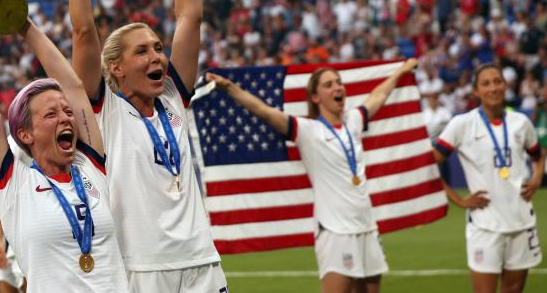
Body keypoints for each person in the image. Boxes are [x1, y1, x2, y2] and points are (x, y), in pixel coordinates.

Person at [63, 0, 225, 292]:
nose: (157, 56)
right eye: (142, 52)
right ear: (114, 68)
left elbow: (189, 16)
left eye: (157, 47)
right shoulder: (105, 111)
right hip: (142, 268)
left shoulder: (173, 96)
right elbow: (83, 30)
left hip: (203, 260)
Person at [0, 0, 128, 293]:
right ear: (25, 133)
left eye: (67, 112)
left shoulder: (90, 166)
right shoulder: (13, 185)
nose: (67, 117)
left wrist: (21, 22)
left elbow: (74, 86)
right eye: (51, 114)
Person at [206, 59, 419, 293]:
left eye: (339, 82)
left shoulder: (354, 121)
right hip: (335, 230)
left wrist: (401, 71)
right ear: (315, 97)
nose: (337, 87)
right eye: (329, 85)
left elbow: (378, 96)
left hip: (367, 226)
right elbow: (264, 111)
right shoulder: (307, 130)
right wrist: (229, 87)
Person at [433, 64, 544, 293]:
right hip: (485, 226)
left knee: (513, 290)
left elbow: (537, 155)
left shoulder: (520, 122)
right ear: (476, 91)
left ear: (505, 85)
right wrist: (459, 200)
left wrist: (536, 179)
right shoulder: (462, 124)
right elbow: (430, 164)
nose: (493, 88)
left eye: (497, 81)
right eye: (486, 83)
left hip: (521, 222)